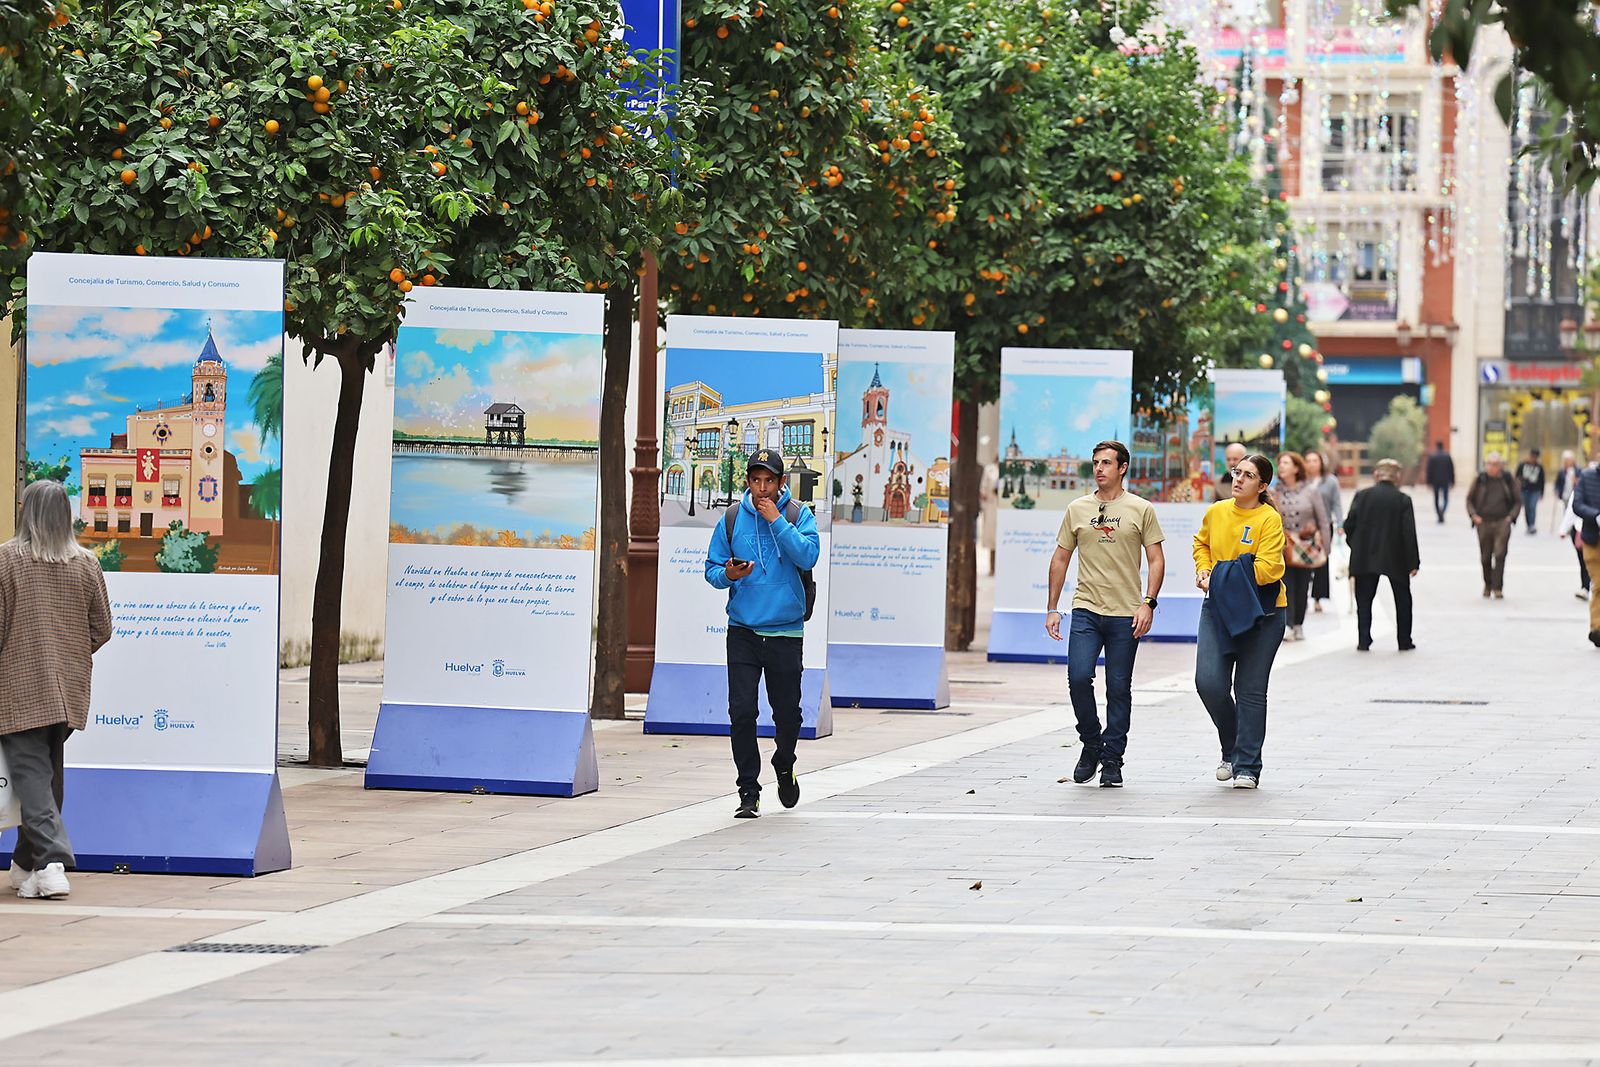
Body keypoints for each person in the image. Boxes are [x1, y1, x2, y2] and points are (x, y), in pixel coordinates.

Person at [2, 480, 113, 900]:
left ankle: (50, 863)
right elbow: (101, 627)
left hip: (18, 685)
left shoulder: (5, 561)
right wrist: (67, 654)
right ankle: (23, 865)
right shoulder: (86, 563)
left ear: (26, 512)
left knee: (34, 777)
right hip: (68, 688)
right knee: (47, 778)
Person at [704, 450, 821, 818]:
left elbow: (808, 556)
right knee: (741, 711)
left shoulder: (797, 515)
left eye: (769, 481)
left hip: (786, 632)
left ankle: (784, 764)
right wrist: (730, 575)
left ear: (781, 482)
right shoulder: (732, 518)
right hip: (743, 631)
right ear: (748, 482)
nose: (762, 488)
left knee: (788, 715)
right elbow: (712, 569)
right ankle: (748, 791)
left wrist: (777, 522)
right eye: (755, 481)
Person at [1045, 441, 1167, 789]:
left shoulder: (1140, 509)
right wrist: (1053, 607)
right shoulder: (1077, 508)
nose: (1099, 469)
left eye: (1107, 463)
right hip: (1086, 608)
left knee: (1118, 688)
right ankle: (1090, 742)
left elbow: (1156, 559)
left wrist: (1149, 603)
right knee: (1079, 678)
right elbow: (1060, 559)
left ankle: (1112, 760)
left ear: (1122, 468)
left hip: (1126, 613)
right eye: (1096, 463)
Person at [1193, 453, 1287, 790]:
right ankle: (1231, 747)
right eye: (1237, 472)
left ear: (1262, 486)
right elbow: (1201, 543)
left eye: (1248, 476)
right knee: (1209, 683)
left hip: (1263, 613)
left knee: (1249, 690)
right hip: (1217, 608)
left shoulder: (1268, 520)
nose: (1238, 479)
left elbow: (1268, 569)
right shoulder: (1216, 512)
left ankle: (1247, 765)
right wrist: (1204, 567)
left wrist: (1217, 574)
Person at [1343, 458, 1420, 652]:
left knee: (1364, 599)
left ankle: (1364, 639)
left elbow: (1349, 524)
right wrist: (1413, 562)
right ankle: (1404, 640)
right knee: (1402, 599)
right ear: (1397, 477)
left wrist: (1356, 545)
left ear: (1376, 475)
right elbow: (1408, 533)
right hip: (1396, 556)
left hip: (1365, 555)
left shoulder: (1362, 496)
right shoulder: (1403, 499)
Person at [1274, 451, 1328, 642]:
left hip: (1305, 547)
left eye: (1286, 463)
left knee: (1302, 585)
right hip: (1284, 546)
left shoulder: (1311, 491)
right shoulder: (1275, 492)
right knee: (1286, 585)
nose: (1281, 466)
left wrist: (1326, 548)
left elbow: (1322, 519)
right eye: (1280, 463)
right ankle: (1287, 624)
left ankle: (1298, 624)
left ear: (1296, 468)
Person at [1467, 452, 1519, 598]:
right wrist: (1473, 515)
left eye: (1495, 464)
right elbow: (1469, 500)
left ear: (1501, 466)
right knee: (1485, 556)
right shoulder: (1480, 479)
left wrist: (1511, 517)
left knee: (1500, 554)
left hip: (1502, 521)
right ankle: (1487, 584)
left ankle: (1498, 587)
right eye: (1489, 464)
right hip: (1483, 522)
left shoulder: (1507, 480)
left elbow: (1517, 500)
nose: (1492, 468)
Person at [1303, 449, 1342, 613]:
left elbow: (1336, 503)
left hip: (1324, 526)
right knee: (1302, 562)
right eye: (1308, 460)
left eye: (1315, 460)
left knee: (1320, 562)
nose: (1312, 464)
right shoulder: (1300, 481)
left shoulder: (1330, 481)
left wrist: (1340, 523)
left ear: (1321, 463)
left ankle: (1318, 597)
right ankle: (1301, 596)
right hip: (1304, 527)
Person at [1570, 436, 1600, 647]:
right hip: (1593, 541)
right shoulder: (1587, 477)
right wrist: (1596, 516)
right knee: (1599, 584)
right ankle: (1597, 628)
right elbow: (1576, 504)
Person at [1425, 440, 1455, 524]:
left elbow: (1429, 470)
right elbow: (1451, 469)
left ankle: (1439, 513)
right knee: (1445, 498)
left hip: (1435, 481)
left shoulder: (1433, 456)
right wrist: (1452, 481)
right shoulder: (1447, 456)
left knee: (1436, 498)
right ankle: (1443, 511)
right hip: (1445, 480)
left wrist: (1428, 482)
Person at [1516, 448, 1545, 534]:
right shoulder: (1522, 465)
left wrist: (1542, 492)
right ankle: (1528, 525)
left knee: (1532, 507)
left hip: (1535, 490)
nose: (1533, 459)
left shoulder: (1539, 467)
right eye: (1532, 456)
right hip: (1524, 490)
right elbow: (1517, 477)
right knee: (1527, 508)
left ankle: (1532, 525)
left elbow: (1542, 480)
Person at [1554, 450, 1581, 536]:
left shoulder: (1578, 470)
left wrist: (1576, 481)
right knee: (1567, 510)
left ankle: (1573, 527)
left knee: (1575, 510)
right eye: (1567, 460)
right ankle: (1567, 528)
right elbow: (1557, 483)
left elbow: (1582, 481)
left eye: (1570, 460)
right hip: (1565, 494)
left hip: (1576, 493)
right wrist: (1556, 490)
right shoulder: (1562, 471)